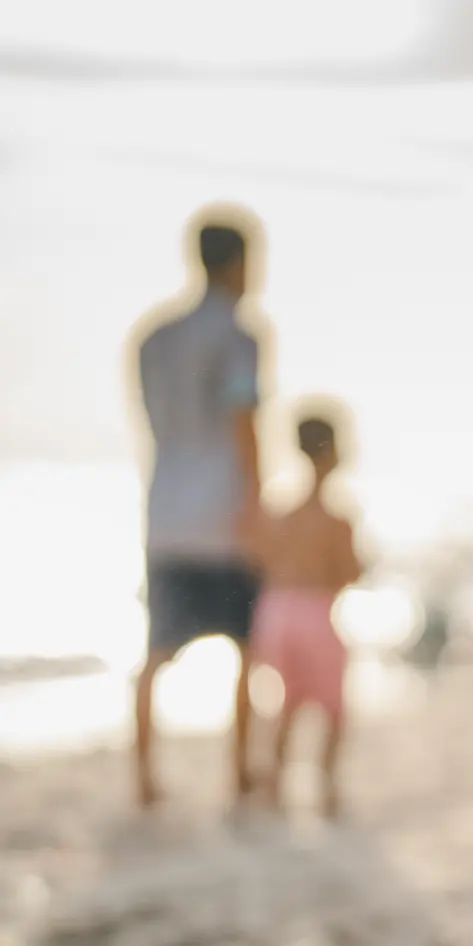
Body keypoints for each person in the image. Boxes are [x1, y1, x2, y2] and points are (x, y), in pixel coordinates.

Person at [132, 214, 267, 809]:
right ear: (238, 263)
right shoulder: (238, 335)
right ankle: (238, 770)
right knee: (247, 646)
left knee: (157, 652)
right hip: (224, 512)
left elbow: (152, 423)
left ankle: (144, 777)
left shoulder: (153, 337)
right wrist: (258, 504)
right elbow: (244, 422)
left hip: (165, 509)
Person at [253, 415, 362, 817]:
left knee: (288, 702)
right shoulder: (335, 518)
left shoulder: (282, 513)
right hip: (316, 612)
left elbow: (261, 560)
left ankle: (276, 784)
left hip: (276, 610)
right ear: (332, 453)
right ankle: (327, 784)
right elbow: (349, 571)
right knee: (333, 706)